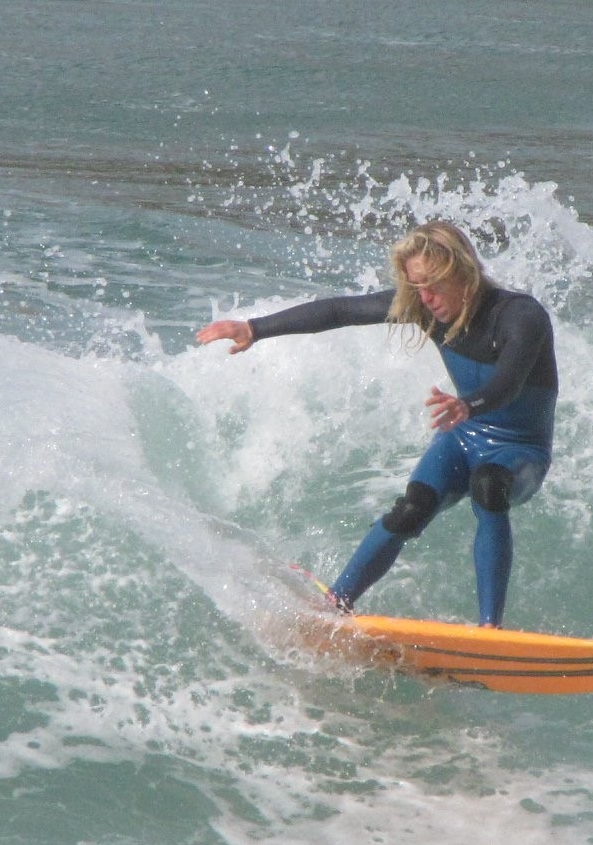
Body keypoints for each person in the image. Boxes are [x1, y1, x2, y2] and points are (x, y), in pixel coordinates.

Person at [196, 221, 556, 628]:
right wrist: (255, 328)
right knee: (410, 509)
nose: (425, 298)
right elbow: (340, 311)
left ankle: (491, 628)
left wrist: (469, 405)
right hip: (462, 435)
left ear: (463, 271)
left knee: (489, 487)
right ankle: (337, 604)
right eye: (416, 286)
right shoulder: (425, 307)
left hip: (519, 449)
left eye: (432, 284)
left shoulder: (520, 316)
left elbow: (508, 382)